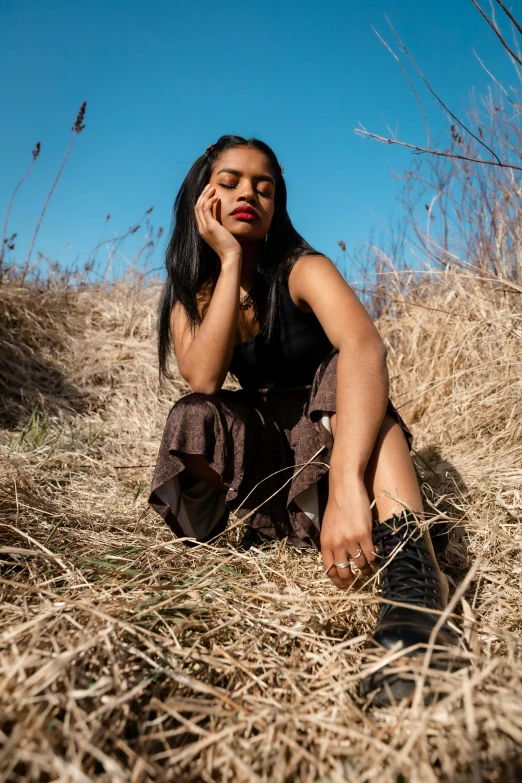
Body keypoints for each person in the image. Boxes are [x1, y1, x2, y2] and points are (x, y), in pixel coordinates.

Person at [149, 134, 458, 706]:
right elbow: (205, 380)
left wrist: (344, 482)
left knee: (344, 372)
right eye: (231, 181)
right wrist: (231, 259)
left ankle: (415, 599)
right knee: (193, 415)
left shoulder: (302, 268)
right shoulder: (191, 292)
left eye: (265, 188)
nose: (249, 194)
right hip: (264, 473)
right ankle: (248, 534)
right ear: (201, 196)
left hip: (336, 450)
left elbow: (366, 347)